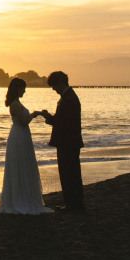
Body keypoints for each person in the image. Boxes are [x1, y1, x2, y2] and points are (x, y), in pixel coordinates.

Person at [0, 78, 52, 214]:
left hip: (22, 135)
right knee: (19, 164)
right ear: (17, 89)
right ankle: (19, 198)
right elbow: (24, 121)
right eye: (23, 89)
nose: (25, 91)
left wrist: (36, 113)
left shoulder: (17, 103)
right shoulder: (14, 104)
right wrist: (33, 114)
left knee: (24, 164)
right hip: (18, 136)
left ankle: (23, 195)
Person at [40, 71, 85, 211]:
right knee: (71, 173)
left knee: (69, 173)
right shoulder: (69, 96)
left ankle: (73, 204)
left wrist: (48, 117)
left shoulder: (68, 98)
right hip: (69, 141)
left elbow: (63, 122)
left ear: (60, 83)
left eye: (54, 85)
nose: (53, 89)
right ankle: (73, 203)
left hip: (68, 142)